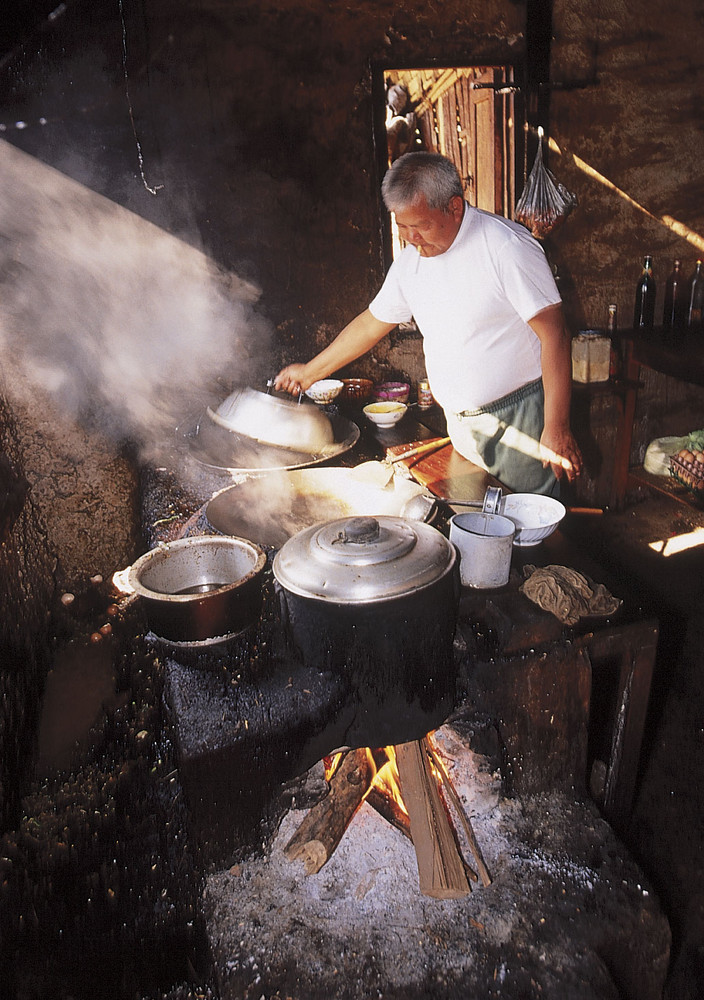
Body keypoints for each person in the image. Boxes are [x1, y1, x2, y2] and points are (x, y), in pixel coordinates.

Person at [275, 151, 583, 495]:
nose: (410, 237)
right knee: (475, 523)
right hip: (462, 425)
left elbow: (555, 334)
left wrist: (556, 426)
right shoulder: (411, 263)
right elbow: (371, 324)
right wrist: (310, 372)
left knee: (528, 532)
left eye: (419, 225)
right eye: (401, 225)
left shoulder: (506, 248)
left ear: (454, 208)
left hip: (519, 421)